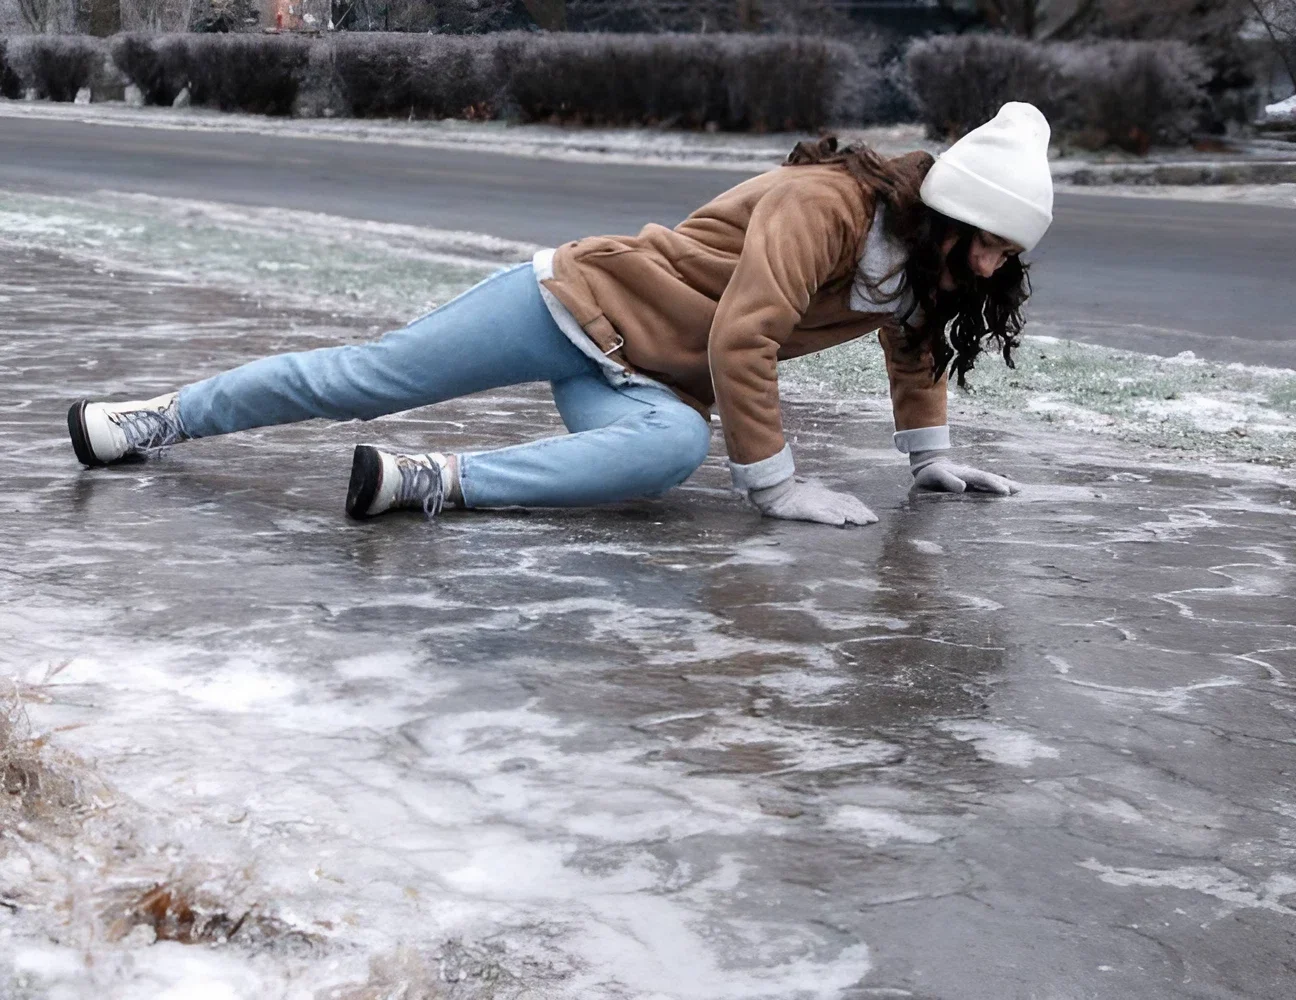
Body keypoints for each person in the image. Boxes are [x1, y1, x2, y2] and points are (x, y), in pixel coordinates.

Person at [67, 102, 1053, 528]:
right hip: (570, 302)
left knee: (666, 453)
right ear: (943, 213)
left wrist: (928, 456)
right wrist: (777, 487)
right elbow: (743, 335)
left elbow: (915, 339)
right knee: (363, 379)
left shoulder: (924, 266)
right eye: (987, 241)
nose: (993, 264)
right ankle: (158, 416)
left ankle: (431, 482)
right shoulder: (826, 205)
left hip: (645, 379)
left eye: (1009, 252)